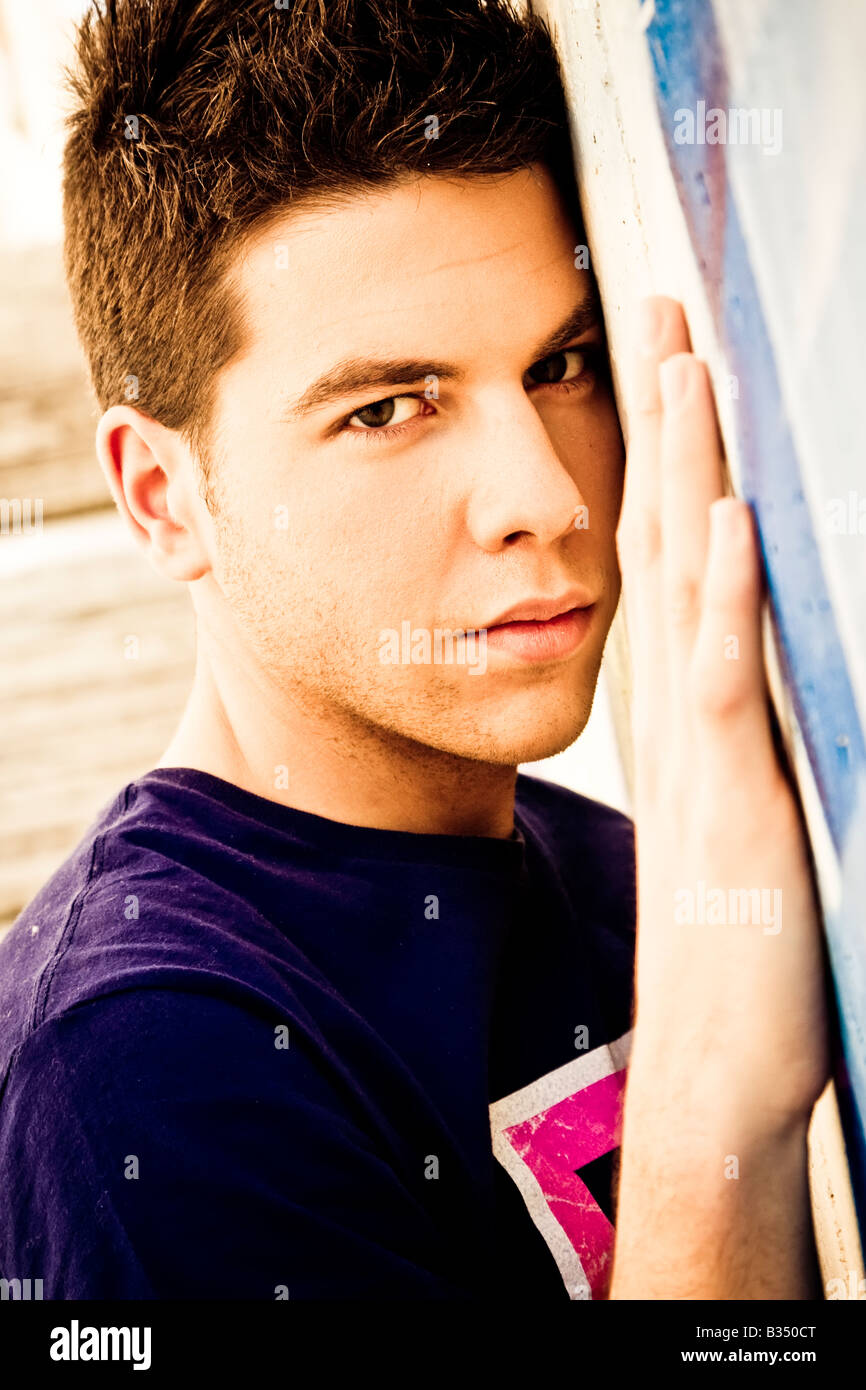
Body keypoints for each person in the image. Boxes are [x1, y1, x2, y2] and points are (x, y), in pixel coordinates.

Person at [0, 0, 827, 1300]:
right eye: (390, 408)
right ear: (163, 495)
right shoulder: (138, 1075)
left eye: (561, 363)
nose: (543, 496)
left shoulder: (632, 869)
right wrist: (712, 1100)